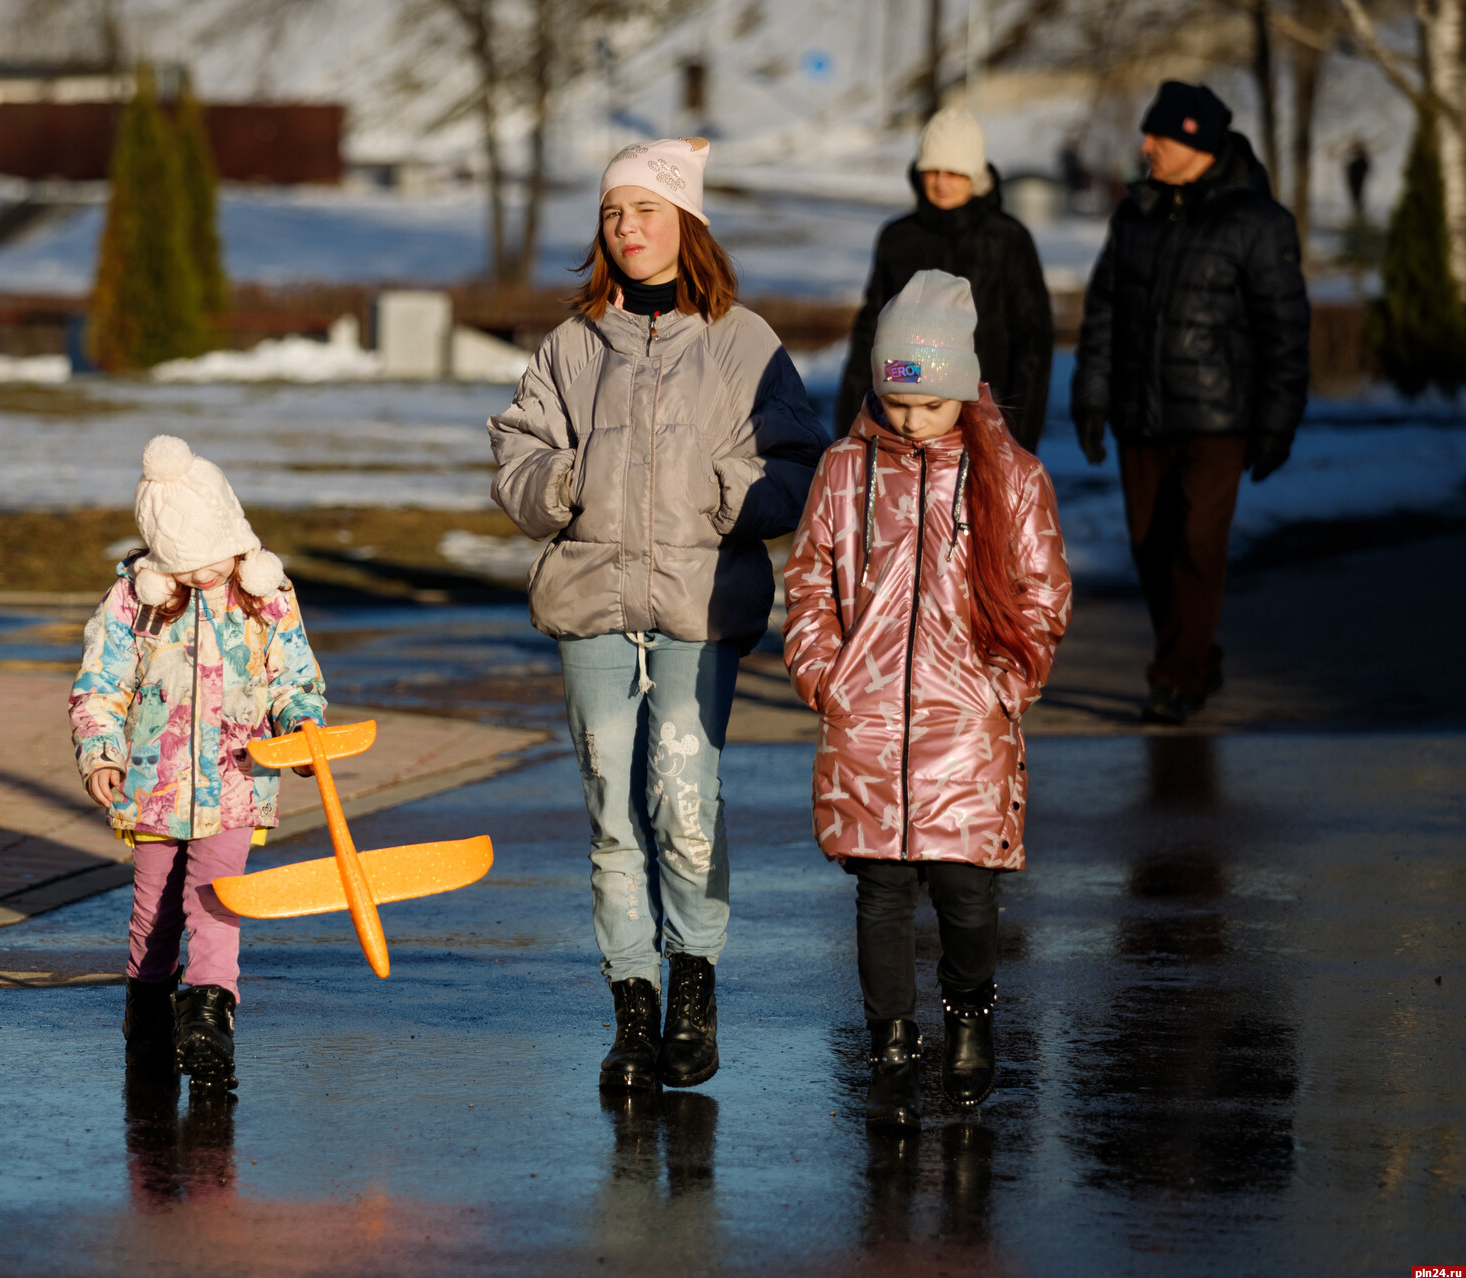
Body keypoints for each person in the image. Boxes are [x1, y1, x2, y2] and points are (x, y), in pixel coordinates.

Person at [489, 137, 829, 1094]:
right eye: (612, 213)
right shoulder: (570, 345)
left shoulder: (743, 343)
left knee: (683, 804)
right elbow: (516, 454)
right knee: (611, 812)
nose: (628, 229)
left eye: (646, 210)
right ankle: (631, 1004)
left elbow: (800, 461)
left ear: (688, 223)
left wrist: (730, 495)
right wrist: (560, 484)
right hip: (592, 605)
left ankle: (692, 982)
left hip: (700, 605)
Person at [784, 270, 1072, 1128]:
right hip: (867, 719)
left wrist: (1003, 687)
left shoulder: (1009, 477)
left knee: (964, 889)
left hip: (965, 723)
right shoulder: (845, 470)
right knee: (879, 892)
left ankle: (971, 1020)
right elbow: (807, 585)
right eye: (896, 403)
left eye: (930, 405)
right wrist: (825, 677)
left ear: (961, 390)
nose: (910, 421)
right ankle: (891, 1044)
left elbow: (1042, 593)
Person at [70, 434, 326, 1091]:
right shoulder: (137, 600)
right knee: (154, 910)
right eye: (186, 564)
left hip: (237, 782)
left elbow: (294, 675)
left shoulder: (264, 597)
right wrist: (102, 751)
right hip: (152, 784)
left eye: (214, 557)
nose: (204, 573)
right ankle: (148, 1014)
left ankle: (210, 1014)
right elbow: (100, 685)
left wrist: (300, 726)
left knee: (215, 899)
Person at [1071, 81, 1310, 725]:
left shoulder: (1259, 223)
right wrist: (1092, 396)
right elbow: (1104, 315)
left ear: (1195, 143)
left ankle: (1173, 678)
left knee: (1196, 547)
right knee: (1150, 547)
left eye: (1159, 136)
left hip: (1218, 421)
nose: (1145, 146)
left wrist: (1277, 420)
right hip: (1140, 417)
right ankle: (1195, 660)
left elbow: (1284, 328)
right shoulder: (1136, 213)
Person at [837, 107, 1054, 451]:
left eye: (953, 172)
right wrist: (850, 424)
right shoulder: (898, 238)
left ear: (976, 176)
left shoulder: (1007, 239)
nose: (941, 182)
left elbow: (1033, 343)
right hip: (903, 420)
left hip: (987, 422)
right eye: (932, 170)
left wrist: (1019, 435)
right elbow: (869, 334)